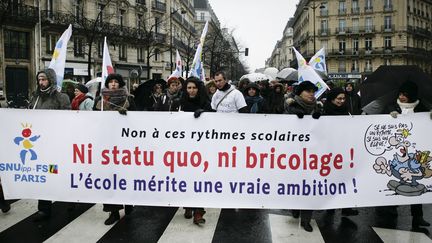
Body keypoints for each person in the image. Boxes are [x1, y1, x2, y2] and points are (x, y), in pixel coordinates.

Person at [380, 81, 430, 230]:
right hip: (394, 152)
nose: (401, 97)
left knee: (414, 183)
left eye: (405, 95)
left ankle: (418, 216)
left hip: (414, 152)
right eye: (400, 94)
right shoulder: (391, 106)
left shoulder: (422, 108)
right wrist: (388, 116)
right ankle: (390, 210)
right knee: (394, 180)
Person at [28, 68, 71, 221]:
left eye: (44, 79)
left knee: (60, 174)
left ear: (51, 80)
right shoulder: (35, 98)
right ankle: (44, 208)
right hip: (39, 145)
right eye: (39, 80)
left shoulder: (61, 97)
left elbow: (67, 119)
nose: (41, 83)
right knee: (44, 175)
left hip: (56, 143)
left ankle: (71, 200)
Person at [93, 73, 135, 225]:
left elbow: (139, 120)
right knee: (109, 178)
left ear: (120, 84)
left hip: (124, 145)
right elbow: (93, 120)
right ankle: (113, 211)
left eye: (116, 82)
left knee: (125, 176)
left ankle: (129, 203)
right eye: (110, 82)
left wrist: (127, 116)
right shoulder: (100, 100)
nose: (113, 84)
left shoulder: (129, 99)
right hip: (106, 145)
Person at [285, 81, 322, 232]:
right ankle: (295, 206)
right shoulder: (289, 106)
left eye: (313, 91)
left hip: (313, 154)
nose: (311, 94)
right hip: (294, 154)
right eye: (308, 91)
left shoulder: (318, 107)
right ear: (300, 93)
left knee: (309, 186)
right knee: (295, 184)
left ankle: (306, 219)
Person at [179, 76, 212, 224]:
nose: (191, 91)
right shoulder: (180, 103)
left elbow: (214, 121)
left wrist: (204, 113)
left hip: (202, 148)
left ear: (199, 89)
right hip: (185, 147)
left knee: (200, 179)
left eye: (194, 88)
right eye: (189, 88)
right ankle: (187, 206)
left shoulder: (206, 103)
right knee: (186, 177)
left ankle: (198, 212)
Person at [323, 88, 359, 216]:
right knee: (331, 180)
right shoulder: (324, 111)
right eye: (339, 99)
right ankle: (330, 206)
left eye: (343, 99)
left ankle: (345, 208)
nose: (341, 101)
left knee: (345, 179)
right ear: (332, 99)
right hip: (329, 151)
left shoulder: (346, 111)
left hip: (343, 150)